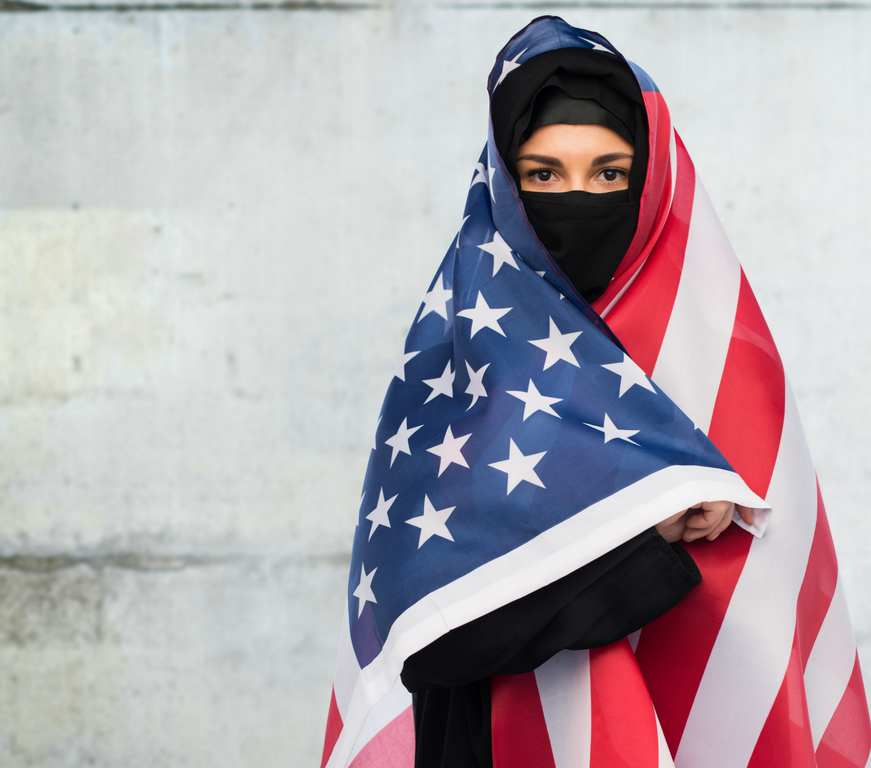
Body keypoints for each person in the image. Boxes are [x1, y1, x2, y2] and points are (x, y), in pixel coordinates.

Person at [320, 17, 870, 768]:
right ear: (504, 186)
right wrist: (649, 526)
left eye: (609, 174)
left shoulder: (720, 357)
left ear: (649, 183)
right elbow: (431, 637)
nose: (577, 198)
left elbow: (766, 612)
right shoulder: (458, 359)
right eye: (543, 175)